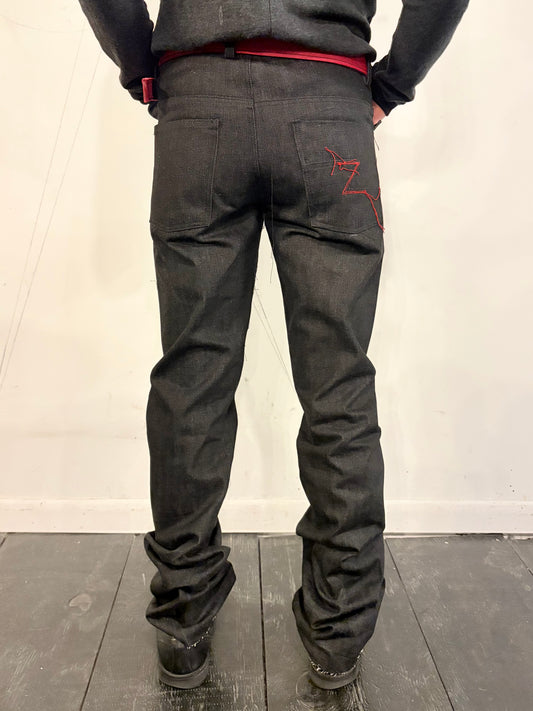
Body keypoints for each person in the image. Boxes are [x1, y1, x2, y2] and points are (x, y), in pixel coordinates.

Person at [78, 0, 470, 692]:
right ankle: (337, 635)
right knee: (338, 385)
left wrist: (143, 67)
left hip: (197, 109)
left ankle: (183, 621)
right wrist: (392, 82)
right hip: (329, 108)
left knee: (192, 377)